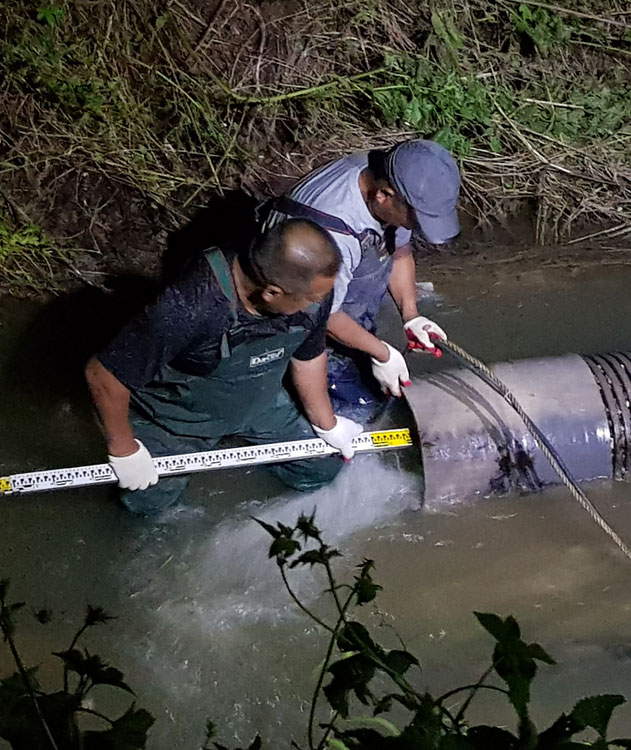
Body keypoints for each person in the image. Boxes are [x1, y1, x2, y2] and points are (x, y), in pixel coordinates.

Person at [84, 219, 364, 516]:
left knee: (321, 468)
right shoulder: (189, 306)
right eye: (311, 299)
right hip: (177, 417)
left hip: (259, 401)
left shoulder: (314, 286)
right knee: (149, 500)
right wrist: (124, 450)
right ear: (271, 292)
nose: (319, 304)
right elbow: (103, 375)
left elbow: (309, 352)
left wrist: (326, 423)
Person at [265, 139, 461, 422]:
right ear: (384, 195)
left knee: (381, 394)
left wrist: (411, 316)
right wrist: (382, 354)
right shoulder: (330, 232)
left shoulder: (391, 180)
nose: (415, 227)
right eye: (416, 220)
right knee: (364, 411)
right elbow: (322, 313)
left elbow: (399, 248)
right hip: (296, 325)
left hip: (344, 312)